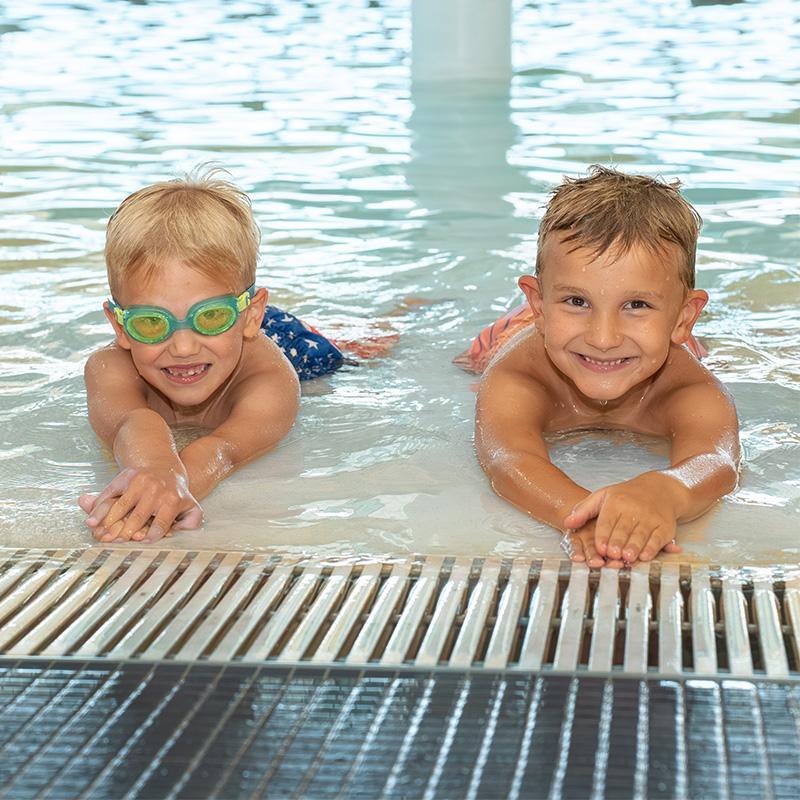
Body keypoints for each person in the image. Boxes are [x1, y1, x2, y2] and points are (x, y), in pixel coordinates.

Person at [457, 165, 740, 568]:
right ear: (538, 304)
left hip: (646, 342)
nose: (602, 338)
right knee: (470, 365)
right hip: (516, 336)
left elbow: (717, 461)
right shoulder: (519, 376)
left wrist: (667, 489)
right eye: (577, 301)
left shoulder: (686, 387)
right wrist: (582, 515)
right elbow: (510, 460)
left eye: (636, 305)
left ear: (683, 317)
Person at [79, 169, 351, 543]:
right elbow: (133, 422)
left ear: (251, 315)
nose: (183, 347)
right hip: (226, 338)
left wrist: (163, 489)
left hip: (295, 347)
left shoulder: (271, 380)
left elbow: (225, 451)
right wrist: (154, 475)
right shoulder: (109, 367)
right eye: (152, 323)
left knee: (363, 347)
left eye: (210, 316)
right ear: (121, 327)